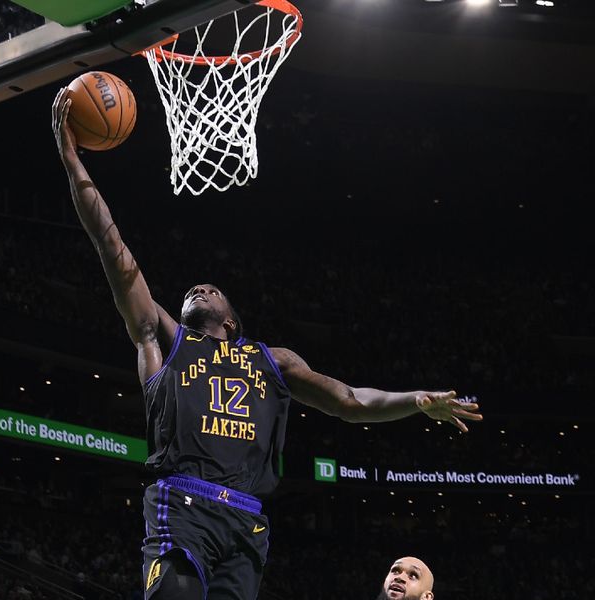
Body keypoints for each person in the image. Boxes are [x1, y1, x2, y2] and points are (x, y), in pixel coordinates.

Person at [51, 88, 482, 600]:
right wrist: (73, 161)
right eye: (193, 290)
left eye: (211, 289)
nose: (198, 287)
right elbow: (113, 248)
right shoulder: (162, 340)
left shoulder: (274, 361)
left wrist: (415, 402)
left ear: (231, 321)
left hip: (247, 524)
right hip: (184, 505)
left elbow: (350, 401)